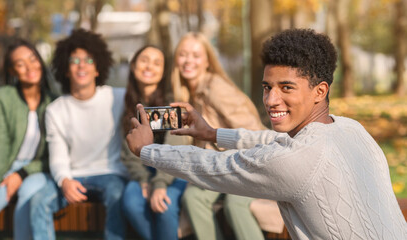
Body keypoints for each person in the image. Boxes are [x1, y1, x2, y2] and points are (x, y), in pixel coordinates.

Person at [126, 28, 407, 239]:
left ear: (320, 91)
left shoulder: (292, 160)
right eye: (266, 87)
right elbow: (271, 140)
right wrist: (212, 133)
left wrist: (148, 151)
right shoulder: (350, 128)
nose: (271, 100)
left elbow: (215, 166)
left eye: (286, 88)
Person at [170, 32, 273, 240]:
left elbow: (252, 133)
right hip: (222, 168)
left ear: (207, 61)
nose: (189, 60)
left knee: (235, 204)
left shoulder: (216, 88)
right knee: (193, 197)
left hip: (249, 164)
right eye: (183, 54)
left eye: (196, 55)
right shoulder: (187, 93)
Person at [29, 29, 128, 240]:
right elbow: (58, 156)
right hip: (73, 176)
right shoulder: (56, 110)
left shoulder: (118, 98)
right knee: (39, 201)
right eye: (74, 60)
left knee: (118, 196)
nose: (81, 65)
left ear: (98, 68)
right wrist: (64, 181)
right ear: (65, 69)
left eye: (88, 60)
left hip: (111, 173)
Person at [0, 39, 56, 240]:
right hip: (5, 169)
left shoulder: (55, 101)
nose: (30, 67)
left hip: (39, 171)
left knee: (28, 195)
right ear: (13, 71)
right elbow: (0, 146)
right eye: (20, 64)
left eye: (33, 60)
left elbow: (54, 156)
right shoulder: (2, 97)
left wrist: (22, 173)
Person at [120, 45, 187, 240]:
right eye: (144, 60)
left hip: (174, 172)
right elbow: (128, 151)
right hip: (143, 172)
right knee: (131, 202)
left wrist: (159, 184)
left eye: (157, 63)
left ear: (164, 71)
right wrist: (142, 179)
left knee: (164, 206)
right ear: (133, 66)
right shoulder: (128, 103)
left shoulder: (170, 102)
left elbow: (175, 149)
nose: (150, 66)